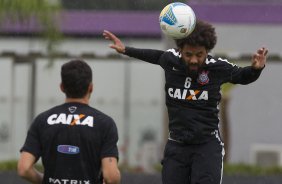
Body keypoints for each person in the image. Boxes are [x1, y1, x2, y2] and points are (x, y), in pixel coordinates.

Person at [103, 19, 268, 184]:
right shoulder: (170, 60)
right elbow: (154, 55)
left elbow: (242, 76)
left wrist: (255, 69)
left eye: (199, 55)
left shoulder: (216, 68)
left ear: (207, 51)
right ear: (180, 50)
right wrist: (125, 49)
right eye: (188, 54)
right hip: (177, 145)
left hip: (207, 146)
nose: (194, 60)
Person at [18, 59, 121, 184]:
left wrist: (44, 180)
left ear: (62, 87)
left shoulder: (42, 120)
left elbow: (24, 169)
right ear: (91, 87)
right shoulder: (104, 123)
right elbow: (111, 177)